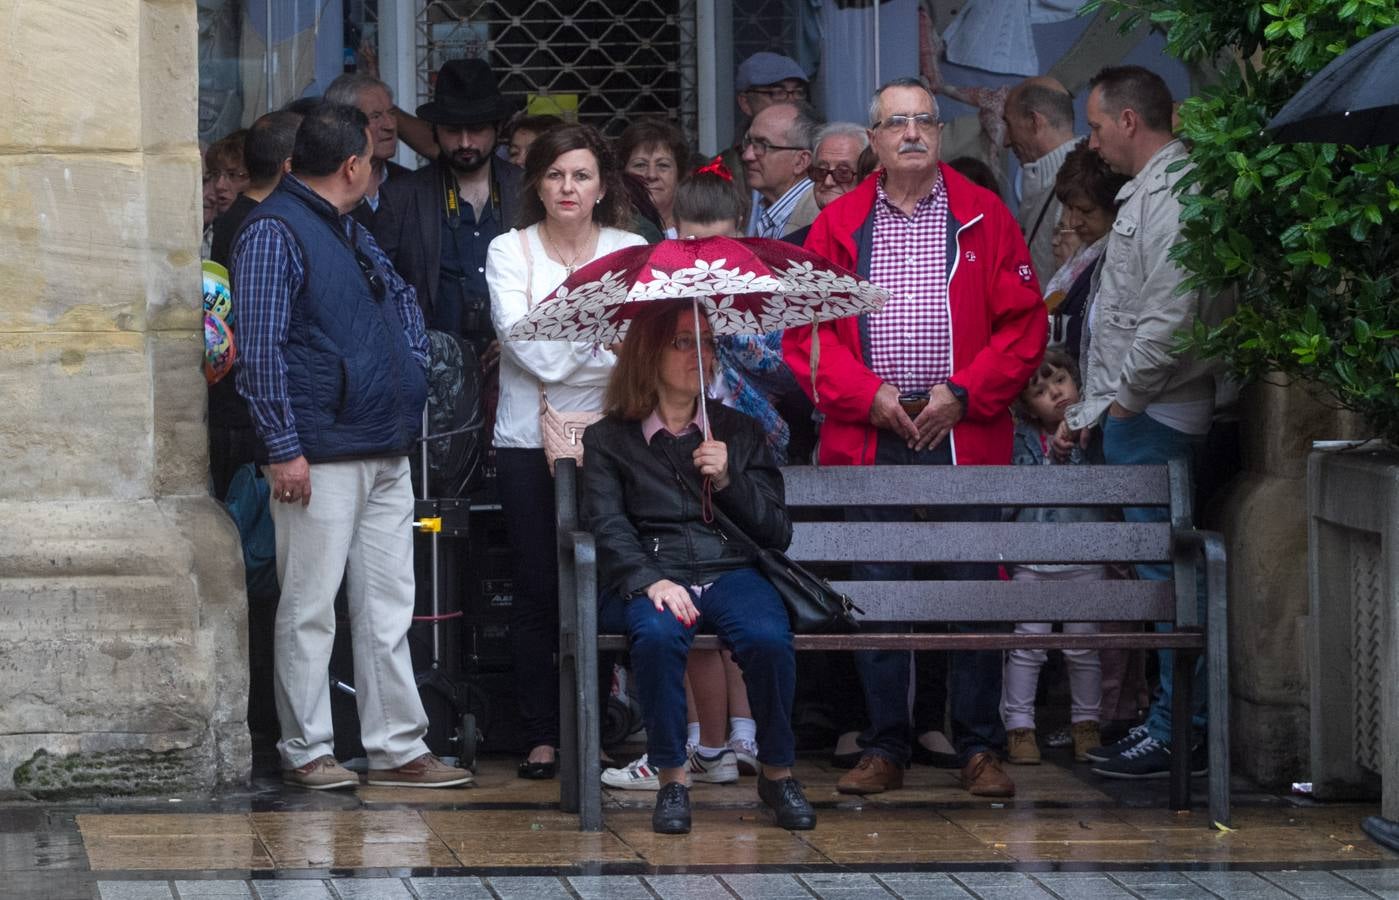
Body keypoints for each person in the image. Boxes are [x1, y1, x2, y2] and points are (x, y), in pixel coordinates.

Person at [783, 76, 1046, 799]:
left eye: (923, 121)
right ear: (873, 141)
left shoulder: (984, 216)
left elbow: (1023, 326)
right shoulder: (835, 228)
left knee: (970, 593)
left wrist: (962, 394)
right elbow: (805, 337)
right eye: (894, 123)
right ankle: (883, 746)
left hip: (963, 436)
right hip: (870, 437)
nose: (909, 133)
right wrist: (869, 398)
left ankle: (979, 747)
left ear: (939, 134)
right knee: (873, 596)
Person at [231, 101, 471, 790]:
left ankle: (398, 745)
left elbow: (396, 303)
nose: (377, 170)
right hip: (318, 452)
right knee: (310, 608)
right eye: (372, 158)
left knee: (386, 604)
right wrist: (282, 446)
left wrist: (416, 371)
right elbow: (261, 351)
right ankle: (307, 749)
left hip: (378, 444)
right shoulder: (274, 230)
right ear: (351, 165)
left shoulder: (342, 226)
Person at [584, 299, 815, 835]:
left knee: (766, 636)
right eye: (684, 342)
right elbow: (607, 526)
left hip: (732, 569)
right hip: (658, 573)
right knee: (658, 637)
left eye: (707, 342)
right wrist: (649, 580)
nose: (701, 353)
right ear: (648, 354)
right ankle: (672, 780)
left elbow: (777, 531)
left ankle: (778, 774)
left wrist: (730, 480)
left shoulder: (739, 430)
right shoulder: (609, 439)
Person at [1062, 65, 1232, 780]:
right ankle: (1166, 724)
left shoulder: (1174, 190)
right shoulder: (1156, 187)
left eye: (1097, 126)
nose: (1093, 142)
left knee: (1169, 587)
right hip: (1139, 409)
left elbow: (1169, 315)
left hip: (1154, 412)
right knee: (1159, 581)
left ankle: (1176, 732)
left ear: (1128, 121)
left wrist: (1124, 399)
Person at [486, 123, 645, 780]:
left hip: (614, 442)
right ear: (535, 183)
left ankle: (595, 723)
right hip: (527, 441)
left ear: (602, 185)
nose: (567, 187)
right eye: (555, 175)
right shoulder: (508, 250)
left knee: (605, 580)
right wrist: (595, 344)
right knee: (535, 586)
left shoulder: (630, 248)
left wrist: (583, 348)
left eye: (580, 175)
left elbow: (636, 349)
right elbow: (525, 345)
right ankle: (542, 733)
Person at [374, 58, 524, 358]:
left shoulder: (527, 188)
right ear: (435, 130)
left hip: (516, 362)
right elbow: (379, 290)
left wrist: (520, 339)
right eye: (453, 131)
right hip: (434, 366)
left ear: (498, 128)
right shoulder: (401, 197)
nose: (465, 142)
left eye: (477, 129)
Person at [1001, 349, 1107, 765]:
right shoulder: (1023, 440)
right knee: (1029, 646)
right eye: (1041, 391)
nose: (1055, 393)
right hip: (1034, 559)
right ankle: (1019, 727)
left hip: (1085, 556)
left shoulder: (1094, 431)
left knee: (1083, 647)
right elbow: (1018, 494)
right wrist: (1052, 457)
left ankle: (1087, 724)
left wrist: (1074, 441)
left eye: (1060, 380)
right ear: (1027, 408)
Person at [207, 110, 302, 502]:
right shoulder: (257, 223)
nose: (222, 187)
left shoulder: (243, 219)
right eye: (216, 176)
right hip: (244, 412)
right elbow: (247, 333)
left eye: (234, 174)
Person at [1042, 142, 1128, 359]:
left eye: (1086, 211)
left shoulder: (1121, 262)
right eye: (1069, 208)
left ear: (1115, 206)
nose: (1073, 221)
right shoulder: (1079, 260)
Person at [1002, 77, 1079, 286]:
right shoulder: (1045, 182)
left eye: (1009, 125)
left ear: (1035, 122)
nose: (1006, 141)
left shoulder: (1081, 187)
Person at [324, 73, 411, 225]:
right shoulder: (325, 186)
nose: (390, 125)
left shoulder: (409, 184)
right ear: (344, 123)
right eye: (376, 116)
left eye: (391, 113)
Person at [720, 51, 810, 196]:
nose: (791, 101)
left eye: (798, 92)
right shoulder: (722, 170)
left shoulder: (825, 157)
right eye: (777, 93)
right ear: (745, 103)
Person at [784, 121, 869, 247]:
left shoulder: (879, 243)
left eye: (843, 172)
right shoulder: (791, 247)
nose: (828, 182)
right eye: (821, 171)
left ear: (866, 177)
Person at [743, 102, 820, 239]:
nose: (747, 155)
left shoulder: (816, 218)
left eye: (762, 145)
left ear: (801, 161)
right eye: (749, 142)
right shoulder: (767, 208)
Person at [617, 118, 689, 237]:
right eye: (640, 165)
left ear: (679, 174)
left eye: (663, 165)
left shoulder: (698, 229)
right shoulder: (611, 231)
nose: (651, 175)